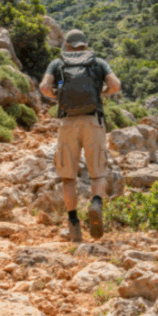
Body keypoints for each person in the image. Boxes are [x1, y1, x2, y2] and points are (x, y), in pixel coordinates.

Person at [39, 29, 122, 242]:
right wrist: (99, 93)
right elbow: (115, 85)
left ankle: (73, 223)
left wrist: (58, 95)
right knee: (98, 173)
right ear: (85, 44)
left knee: (68, 176)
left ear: (66, 45)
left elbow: (44, 88)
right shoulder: (98, 62)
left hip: (68, 122)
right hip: (93, 120)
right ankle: (95, 202)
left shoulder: (57, 64)